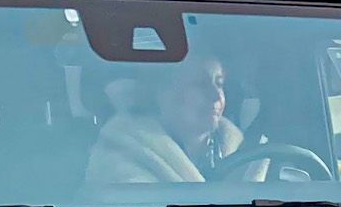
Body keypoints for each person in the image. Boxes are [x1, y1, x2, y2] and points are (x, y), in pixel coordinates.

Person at [84, 58, 244, 186]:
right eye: (200, 84)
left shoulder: (249, 153)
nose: (216, 96)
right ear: (163, 93)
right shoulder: (117, 156)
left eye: (219, 83)